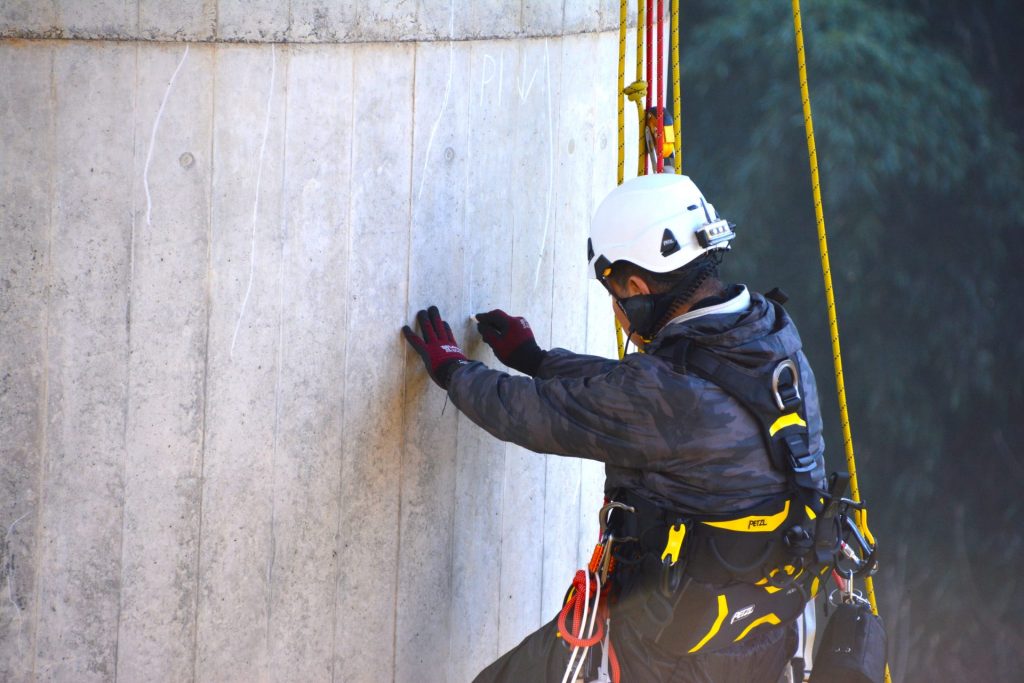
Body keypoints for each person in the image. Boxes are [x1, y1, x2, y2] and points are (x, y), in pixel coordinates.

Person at [402, 173, 829, 683]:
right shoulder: (767, 334)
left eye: (613, 293)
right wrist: (538, 360)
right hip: (758, 635)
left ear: (635, 288)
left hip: (669, 654)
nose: (617, 310)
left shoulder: (667, 394)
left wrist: (455, 373)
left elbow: (544, 415)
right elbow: (635, 394)